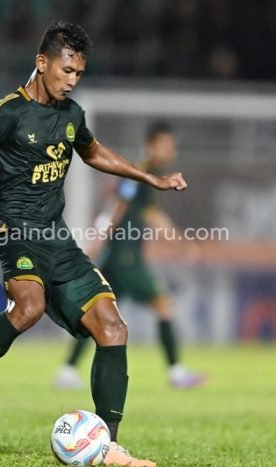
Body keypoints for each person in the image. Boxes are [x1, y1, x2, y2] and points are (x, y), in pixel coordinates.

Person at [0, 21, 187, 467]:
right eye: (66, 70)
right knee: (28, 306)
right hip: (10, 230)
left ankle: (108, 445)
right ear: (42, 63)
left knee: (113, 326)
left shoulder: (72, 115)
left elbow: (94, 152)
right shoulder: (7, 112)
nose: (72, 80)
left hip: (55, 237)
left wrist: (148, 177)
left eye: (79, 73)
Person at [54, 120, 206, 390]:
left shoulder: (143, 174)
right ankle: (177, 372)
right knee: (162, 304)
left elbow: (143, 212)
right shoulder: (140, 173)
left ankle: (67, 370)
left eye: (173, 146)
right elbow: (119, 207)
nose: (171, 151)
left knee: (100, 313)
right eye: (166, 145)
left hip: (120, 255)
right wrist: (98, 241)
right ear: (150, 145)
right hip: (125, 258)